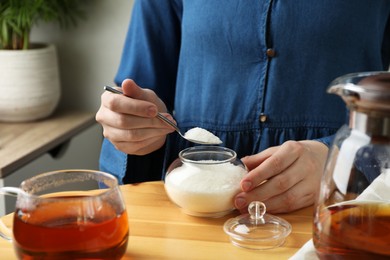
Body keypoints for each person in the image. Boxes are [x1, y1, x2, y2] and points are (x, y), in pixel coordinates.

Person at [96, 1, 390, 214]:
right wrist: (130, 126)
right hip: (190, 215)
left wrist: (342, 162)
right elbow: (134, 96)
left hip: (338, 210)